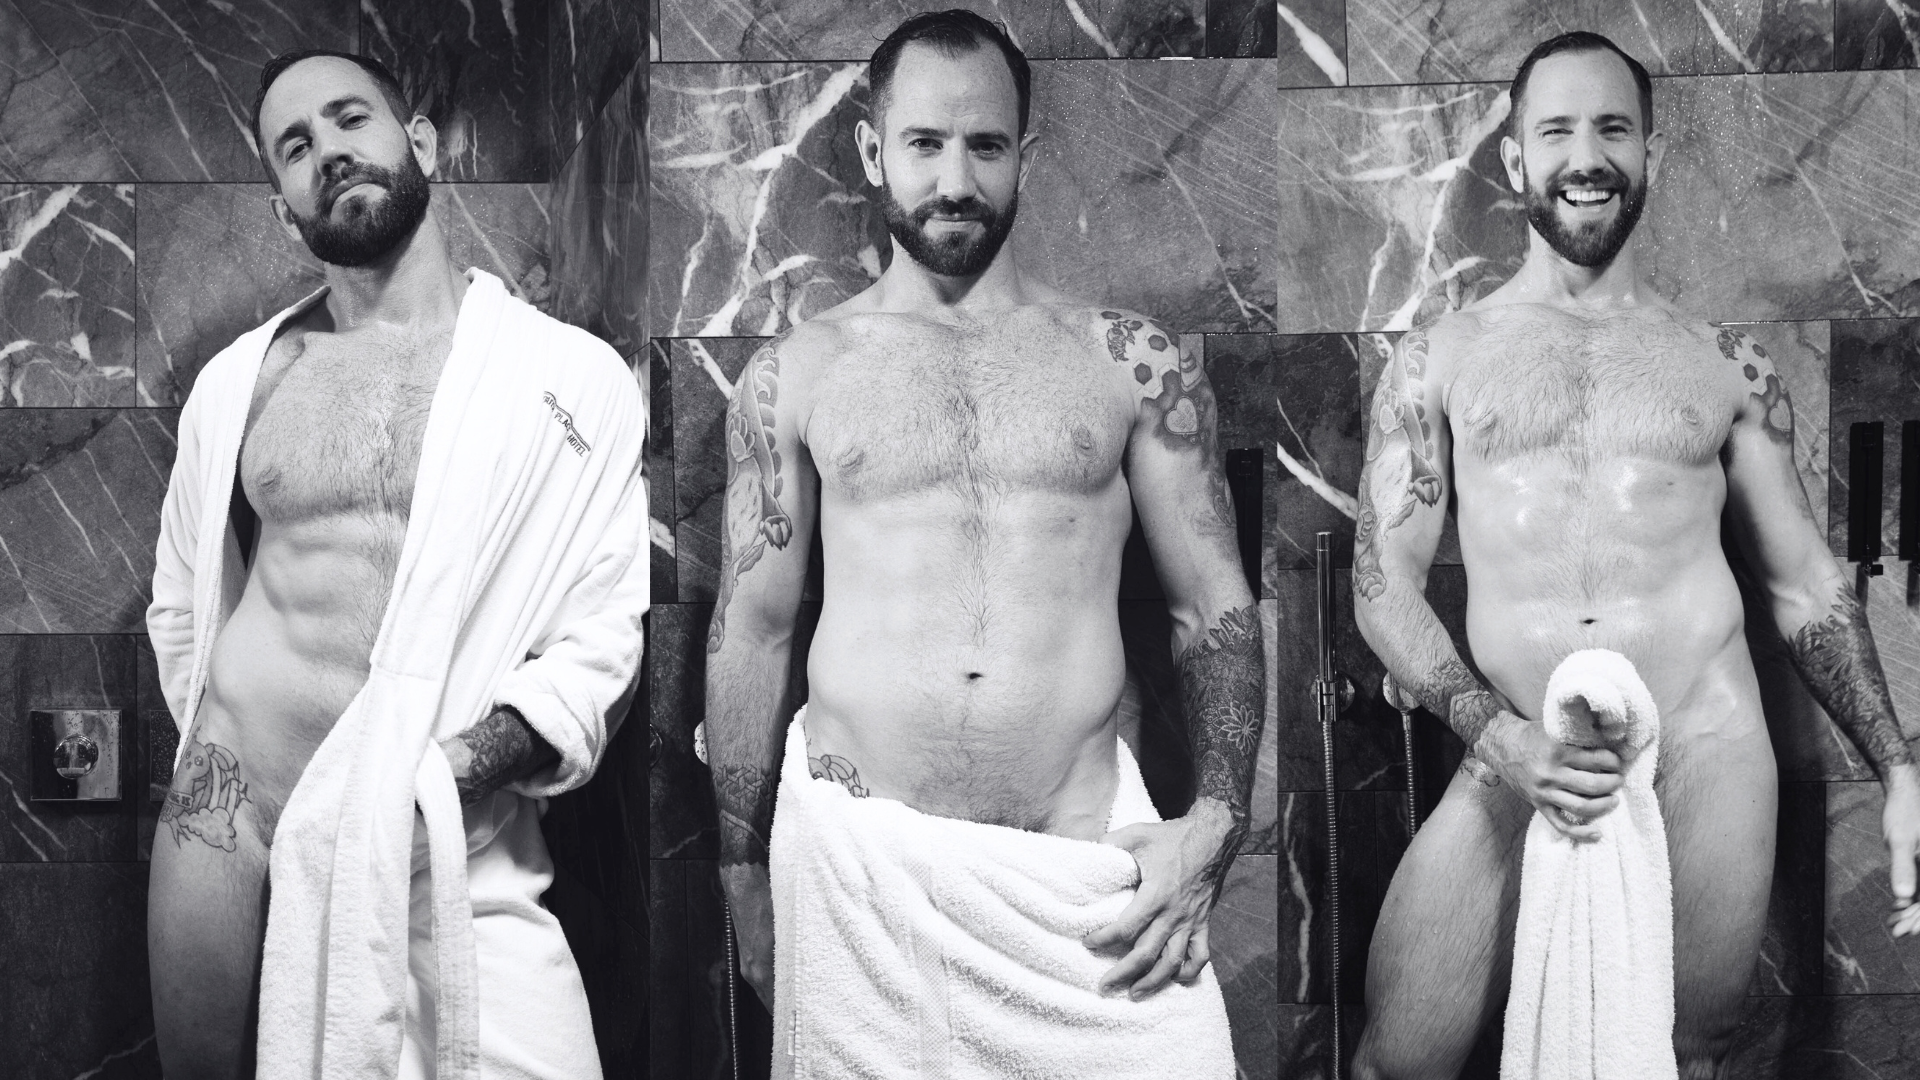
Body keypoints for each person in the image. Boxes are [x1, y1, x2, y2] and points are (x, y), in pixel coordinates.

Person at [1349, 31, 1920, 1079]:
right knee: (1401, 1059)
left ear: (1649, 152)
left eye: (1613, 128)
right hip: (1519, 744)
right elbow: (1382, 582)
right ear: (1516, 161)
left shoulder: (1725, 364)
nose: (1587, 155)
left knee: (1684, 1056)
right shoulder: (1440, 360)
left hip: (1706, 742)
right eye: (1556, 130)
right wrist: (1495, 734)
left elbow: (1804, 587)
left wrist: (1898, 765)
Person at [703, 10, 1258, 1077]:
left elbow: (1214, 606)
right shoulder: (802, 373)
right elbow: (752, 630)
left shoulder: (1129, 362)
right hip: (866, 875)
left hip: (1080, 876)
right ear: (873, 153)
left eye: (986, 146)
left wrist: (1219, 819)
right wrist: (739, 868)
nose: (955, 179)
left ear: (1025, 157)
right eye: (924, 144)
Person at [146, 50, 648, 1079]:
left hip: (451, 842)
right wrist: (228, 754)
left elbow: (601, 640)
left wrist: (440, 777)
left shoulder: (564, 379)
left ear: (416, 142)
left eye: (348, 120)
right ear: (284, 210)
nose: (330, 152)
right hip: (228, 827)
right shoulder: (240, 385)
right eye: (297, 147)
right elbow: (182, 609)